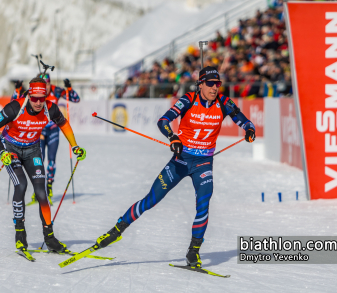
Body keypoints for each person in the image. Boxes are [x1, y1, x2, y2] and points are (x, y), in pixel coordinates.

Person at [87, 66, 255, 268]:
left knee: (203, 204)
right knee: (151, 200)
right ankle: (117, 229)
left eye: (217, 84)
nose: (215, 88)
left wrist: (249, 129)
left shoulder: (224, 103)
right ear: (201, 84)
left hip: (203, 164)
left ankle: (193, 251)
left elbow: (244, 121)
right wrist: (173, 137)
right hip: (181, 160)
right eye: (210, 84)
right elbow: (164, 120)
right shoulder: (189, 100)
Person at [0, 77, 86, 253]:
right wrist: (2, 151)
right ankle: (20, 233)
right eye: (35, 98)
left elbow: (63, 124)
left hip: (33, 150)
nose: (38, 102)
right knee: (21, 185)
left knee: (42, 193)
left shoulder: (50, 108)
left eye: (42, 98)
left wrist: (74, 145)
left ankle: (50, 238)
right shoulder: (15, 107)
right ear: (29, 95)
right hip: (12, 149)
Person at [13, 74, 80, 205]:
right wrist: (18, 90)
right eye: (45, 84)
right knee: (38, 161)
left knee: (51, 161)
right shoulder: (36, 95)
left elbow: (76, 99)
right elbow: (15, 101)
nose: (47, 87)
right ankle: (37, 191)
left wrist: (70, 89)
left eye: (48, 83)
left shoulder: (56, 90)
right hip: (40, 131)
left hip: (53, 129)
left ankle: (48, 189)